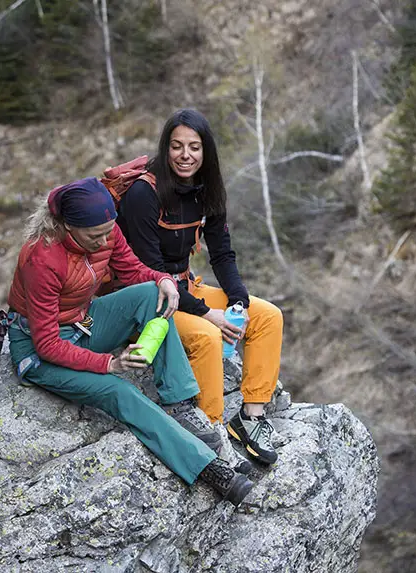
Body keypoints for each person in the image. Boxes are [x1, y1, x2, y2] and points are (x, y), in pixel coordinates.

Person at [4, 176, 253, 506]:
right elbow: (48, 344)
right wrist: (111, 363)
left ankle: (179, 404)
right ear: (67, 226)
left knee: (152, 295)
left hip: (85, 322)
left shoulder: (105, 231)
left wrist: (162, 279)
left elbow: (132, 268)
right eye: (96, 236)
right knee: (119, 390)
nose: (106, 239)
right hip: (39, 351)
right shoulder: (43, 258)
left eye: (109, 231)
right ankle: (210, 469)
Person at [117, 109, 284, 469]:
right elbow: (150, 272)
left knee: (267, 316)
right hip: (150, 298)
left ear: (206, 150)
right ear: (166, 148)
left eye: (194, 146)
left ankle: (250, 419)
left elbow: (221, 253)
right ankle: (211, 435)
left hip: (186, 287)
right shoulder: (143, 196)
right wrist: (209, 313)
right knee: (207, 337)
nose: (185, 155)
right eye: (176, 146)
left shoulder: (206, 190)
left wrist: (237, 296)